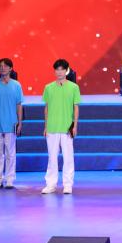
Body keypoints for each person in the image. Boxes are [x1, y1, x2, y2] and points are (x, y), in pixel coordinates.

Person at [42, 59, 81, 195]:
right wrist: (46, 126)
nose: (59, 72)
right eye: (57, 70)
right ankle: (51, 184)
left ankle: (67, 185)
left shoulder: (74, 87)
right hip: (52, 127)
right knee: (52, 158)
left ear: (66, 71)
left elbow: (76, 108)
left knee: (68, 157)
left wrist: (75, 126)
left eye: (62, 69)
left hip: (67, 128)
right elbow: (46, 108)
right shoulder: (48, 87)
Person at [0, 58, 23, 189]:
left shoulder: (16, 85)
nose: (3, 68)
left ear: (11, 68)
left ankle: (10, 179)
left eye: (6, 66)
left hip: (11, 123)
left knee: (10, 153)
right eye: (0, 66)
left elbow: (19, 105)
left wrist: (20, 123)